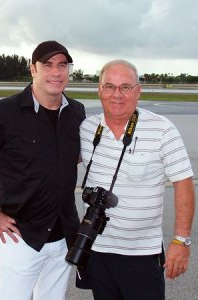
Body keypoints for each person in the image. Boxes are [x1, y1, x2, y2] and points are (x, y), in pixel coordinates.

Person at [0, 41, 85, 300]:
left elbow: (74, 157)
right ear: (33, 70)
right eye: (47, 65)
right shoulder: (5, 112)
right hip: (21, 237)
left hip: (63, 235)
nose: (56, 72)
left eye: (62, 65)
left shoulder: (76, 112)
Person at [79, 59, 195, 299]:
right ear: (99, 90)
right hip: (96, 250)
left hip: (141, 254)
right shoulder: (87, 128)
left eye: (125, 87)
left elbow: (183, 183)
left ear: (138, 91)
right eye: (109, 86)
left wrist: (180, 241)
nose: (117, 95)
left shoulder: (162, 129)